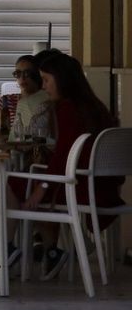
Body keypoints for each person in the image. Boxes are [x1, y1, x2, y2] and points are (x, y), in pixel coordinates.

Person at [15, 53, 120, 278]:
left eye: (46, 80)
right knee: (32, 180)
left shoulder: (67, 109)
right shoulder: (94, 106)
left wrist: (40, 189)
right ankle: (51, 251)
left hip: (80, 187)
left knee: (12, 182)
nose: (43, 86)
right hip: (104, 187)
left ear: (61, 79)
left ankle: (8, 250)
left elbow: (62, 156)